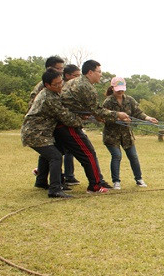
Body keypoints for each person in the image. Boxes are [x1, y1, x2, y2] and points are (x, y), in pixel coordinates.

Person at [55, 60, 131, 193]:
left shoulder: (75, 82)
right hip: (67, 123)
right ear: (90, 72)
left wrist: (91, 114)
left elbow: (78, 105)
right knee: (88, 153)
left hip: (61, 122)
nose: (101, 75)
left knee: (58, 153)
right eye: (99, 72)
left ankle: (47, 181)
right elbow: (97, 110)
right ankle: (95, 186)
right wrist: (118, 114)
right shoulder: (87, 87)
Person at [21, 68, 83, 198]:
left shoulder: (52, 93)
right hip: (35, 133)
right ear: (47, 85)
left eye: (61, 82)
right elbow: (65, 116)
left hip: (41, 133)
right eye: (56, 84)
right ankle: (55, 189)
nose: (60, 86)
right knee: (55, 156)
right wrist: (81, 120)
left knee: (48, 155)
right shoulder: (49, 97)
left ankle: (41, 181)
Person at [102, 77, 158, 189]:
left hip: (126, 135)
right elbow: (103, 117)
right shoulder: (108, 102)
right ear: (112, 88)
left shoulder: (130, 100)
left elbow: (138, 113)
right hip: (111, 135)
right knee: (117, 156)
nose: (120, 91)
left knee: (133, 156)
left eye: (122, 89)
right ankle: (116, 181)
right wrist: (119, 119)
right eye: (118, 89)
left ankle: (139, 179)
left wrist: (148, 118)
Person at [62, 64, 82, 186]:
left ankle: (69, 176)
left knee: (68, 151)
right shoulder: (62, 87)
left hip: (71, 123)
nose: (78, 79)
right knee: (57, 153)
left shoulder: (75, 88)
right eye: (76, 76)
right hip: (62, 125)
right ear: (67, 75)